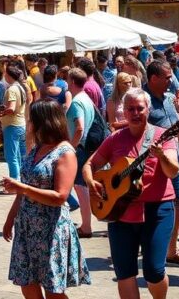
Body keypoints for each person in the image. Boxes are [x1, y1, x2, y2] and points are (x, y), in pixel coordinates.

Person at [83, 88, 179, 299]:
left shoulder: (163, 136)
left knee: (154, 272)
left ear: (149, 109)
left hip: (157, 210)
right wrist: (91, 182)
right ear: (124, 112)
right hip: (120, 212)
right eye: (131, 109)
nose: (136, 113)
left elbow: (173, 171)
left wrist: (162, 156)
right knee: (124, 273)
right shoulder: (115, 138)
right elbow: (90, 164)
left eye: (140, 108)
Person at [3, 98, 90, 298]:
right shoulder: (36, 148)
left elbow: (60, 196)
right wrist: (10, 219)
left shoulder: (65, 152)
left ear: (45, 121)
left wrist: (23, 188)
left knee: (53, 291)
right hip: (27, 227)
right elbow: (23, 190)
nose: (29, 124)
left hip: (50, 229)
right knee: (27, 282)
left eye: (32, 119)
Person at [140, 61, 179, 267]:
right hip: (150, 164)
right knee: (151, 207)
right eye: (167, 77)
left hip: (172, 160)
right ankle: (153, 248)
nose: (172, 80)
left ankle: (171, 249)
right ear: (154, 78)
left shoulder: (171, 99)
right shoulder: (143, 101)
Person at [67, 68, 98, 238]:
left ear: (72, 81)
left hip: (80, 148)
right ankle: (86, 224)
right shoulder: (85, 97)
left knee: (80, 187)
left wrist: (71, 146)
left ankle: (86, 226)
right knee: (81, 186)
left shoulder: (77, 101)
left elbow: (79, 127)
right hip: (85, 147)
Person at [1, 64, 29, 180]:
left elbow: (11, 108)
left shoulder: (12, 89)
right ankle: (22, 180)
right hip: (20, 124)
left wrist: (1, 113)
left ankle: (14, 181)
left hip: (12, 125)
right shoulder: (21, 87)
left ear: (8, 75)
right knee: (19, 155)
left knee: (11, 156)